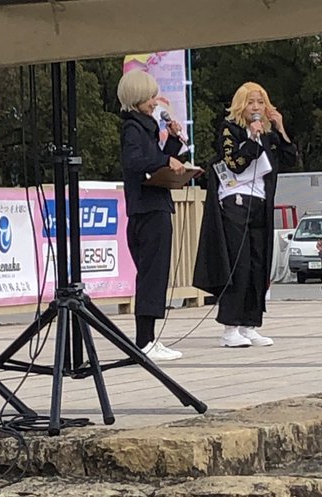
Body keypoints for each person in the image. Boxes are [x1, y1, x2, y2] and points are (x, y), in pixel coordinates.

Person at [193, 81, 297, 348]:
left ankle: (250, 324)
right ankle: (230, 327)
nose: (256, 107)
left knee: (258, 264)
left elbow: (290, 158)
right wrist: (251, 138)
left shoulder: (268, 133)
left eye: (260, 102)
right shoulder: (230, 129)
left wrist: (280, 129)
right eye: (251, 102)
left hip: (261, 202)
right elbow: (235, 164)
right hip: (235, 200)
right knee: (238, 263)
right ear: (241, 105)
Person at [117, 70, 186, 361]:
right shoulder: (132, 128)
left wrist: (172, 144)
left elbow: (157, 162)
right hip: (147, 210)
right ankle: (144, 341)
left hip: (155, 205)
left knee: (155, 275)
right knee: (150, 275)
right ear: (136, 98)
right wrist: (164, 158)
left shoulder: (147, 127)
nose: (155, 102)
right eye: (150, 97)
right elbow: (135, 162)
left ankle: (149, 338)